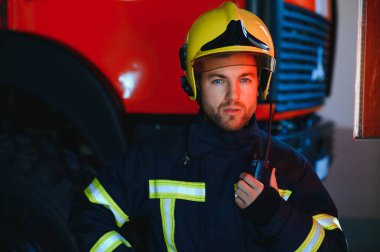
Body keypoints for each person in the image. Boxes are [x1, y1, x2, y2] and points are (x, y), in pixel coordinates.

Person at [69, 2, 348, 251]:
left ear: (261, 85)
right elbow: (89, 214)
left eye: (245, 79)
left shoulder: (290, 168)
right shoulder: (155, 160)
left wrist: (274, 213)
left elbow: (334, 247)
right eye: (217, 80)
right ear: (194, 84)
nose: (233, 96)